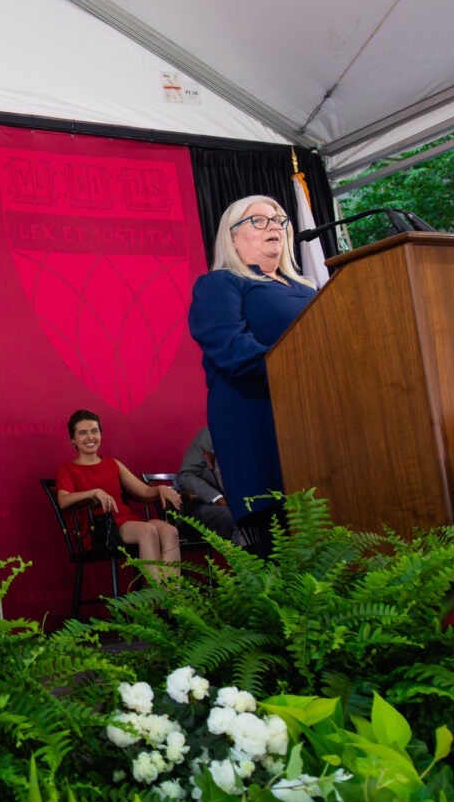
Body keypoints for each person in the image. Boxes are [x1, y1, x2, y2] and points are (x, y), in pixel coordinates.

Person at [187, 196, 318, 556]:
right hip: (260, 426)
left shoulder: (309, 290)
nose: (274, 225)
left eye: (279, 219)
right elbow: (231, 347)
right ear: (232, 237)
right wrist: (303, 365)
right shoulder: (221, 283)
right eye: (258, 220)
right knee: (281, 555)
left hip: (321, 427)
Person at [55, 409, 182, 582]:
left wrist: (160, 489)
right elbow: (63, 501)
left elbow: (144, 492)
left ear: (100, 434)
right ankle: (158, 599)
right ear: (73, 440)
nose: (90, 437)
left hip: (127, 520)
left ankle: (172, 596)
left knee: (170, 531)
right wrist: (93, 492)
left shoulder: (112, 464)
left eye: (94, 431)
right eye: (83, 433)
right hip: (102, 528)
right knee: (147, 530)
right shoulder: (68, 469)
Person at [176, 426, 237, 542]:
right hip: (207, 504)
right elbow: (186, 475)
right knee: (238, 518)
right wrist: (216, 497)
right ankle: (245, 560)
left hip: (244, 503)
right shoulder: (209, 434)